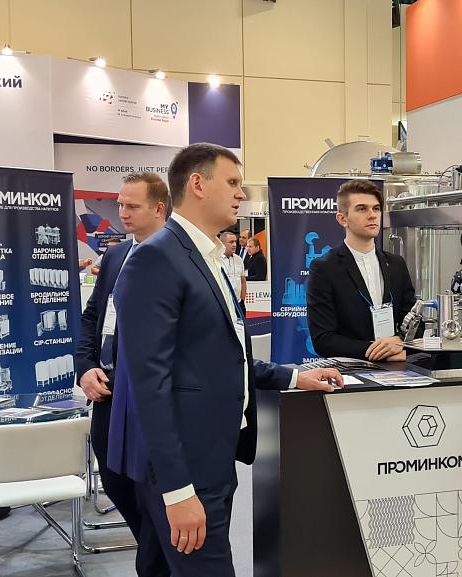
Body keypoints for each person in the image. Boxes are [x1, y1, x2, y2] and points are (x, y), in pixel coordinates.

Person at [109, 143, 344, 577]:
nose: (241, 194)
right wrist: (177, 490)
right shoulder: (157, 259)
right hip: (183, 468)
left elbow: (222, 357)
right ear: (198, 184)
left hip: (213, 456)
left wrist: (295, 377)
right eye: (233, 182)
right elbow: (148, 385)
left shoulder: (208, 257)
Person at [73, 172, 169, 542]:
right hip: (107, 392)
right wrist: (86, 368)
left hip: (148, 395)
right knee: (115, 481)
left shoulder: (175, 259)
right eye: (120, 204)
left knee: (153, 491)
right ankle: (150, 549)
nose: (122, 213)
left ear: (159, 208)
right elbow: (91, 317)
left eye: (132, 206)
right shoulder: (115, 256)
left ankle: (156, 554)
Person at [307, 179, 421, 361]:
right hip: (351, 370)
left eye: (376, 209)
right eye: (362, 209)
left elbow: (415, 323)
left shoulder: (396, 264)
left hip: (398, 369)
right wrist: (380, 352)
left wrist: (399, 341)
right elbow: (323, 340)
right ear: (342, 219)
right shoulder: (325, 268)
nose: (372, 215)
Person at [220, 231, 246, 300]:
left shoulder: (239, 259)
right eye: (231, 242)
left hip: (238, 301)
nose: (234, 245)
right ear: (222, 243)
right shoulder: (216, 259)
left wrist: (242, 300)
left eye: (235, 242)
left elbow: (243, 281)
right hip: (224, 301)